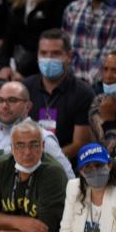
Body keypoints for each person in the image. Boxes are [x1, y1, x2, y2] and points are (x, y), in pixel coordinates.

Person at [23, 29, 95, 162]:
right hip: (27, 160)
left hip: (65, 165)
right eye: (43, 53)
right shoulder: (25, 88)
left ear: (69, 57)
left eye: (55, 54)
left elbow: (80, 144)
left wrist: (44, 161)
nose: (48, 59)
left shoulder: (83, 93)